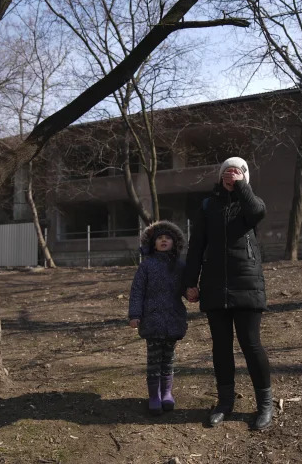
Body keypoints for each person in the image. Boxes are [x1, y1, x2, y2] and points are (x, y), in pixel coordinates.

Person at [184, 156, 273, 431]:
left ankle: (265, 405)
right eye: (226, 172)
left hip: (246, 282)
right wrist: (190, 281)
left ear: (244, 176)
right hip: (214, 285)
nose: (230, 175)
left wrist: (241, 187)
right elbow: (196, 245)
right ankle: (224, 403)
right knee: (221, 347)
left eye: (236, 171)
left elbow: (258, 212)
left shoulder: (250, 202)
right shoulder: (209, 205)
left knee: (250, 343)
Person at [128, 220, 188, 416]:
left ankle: (166, 393)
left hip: (173, 318)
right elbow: (137, 291)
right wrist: (135, 314)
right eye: (160, 238)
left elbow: (186, 287)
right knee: (154, 359)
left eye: (167, 238)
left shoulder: (180, 265)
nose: (163, 241)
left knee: (168, 358)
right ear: (153, 243)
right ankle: (154, 396)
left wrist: (192, 293)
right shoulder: (146, 266)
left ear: (174, 243)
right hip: (151, 319)